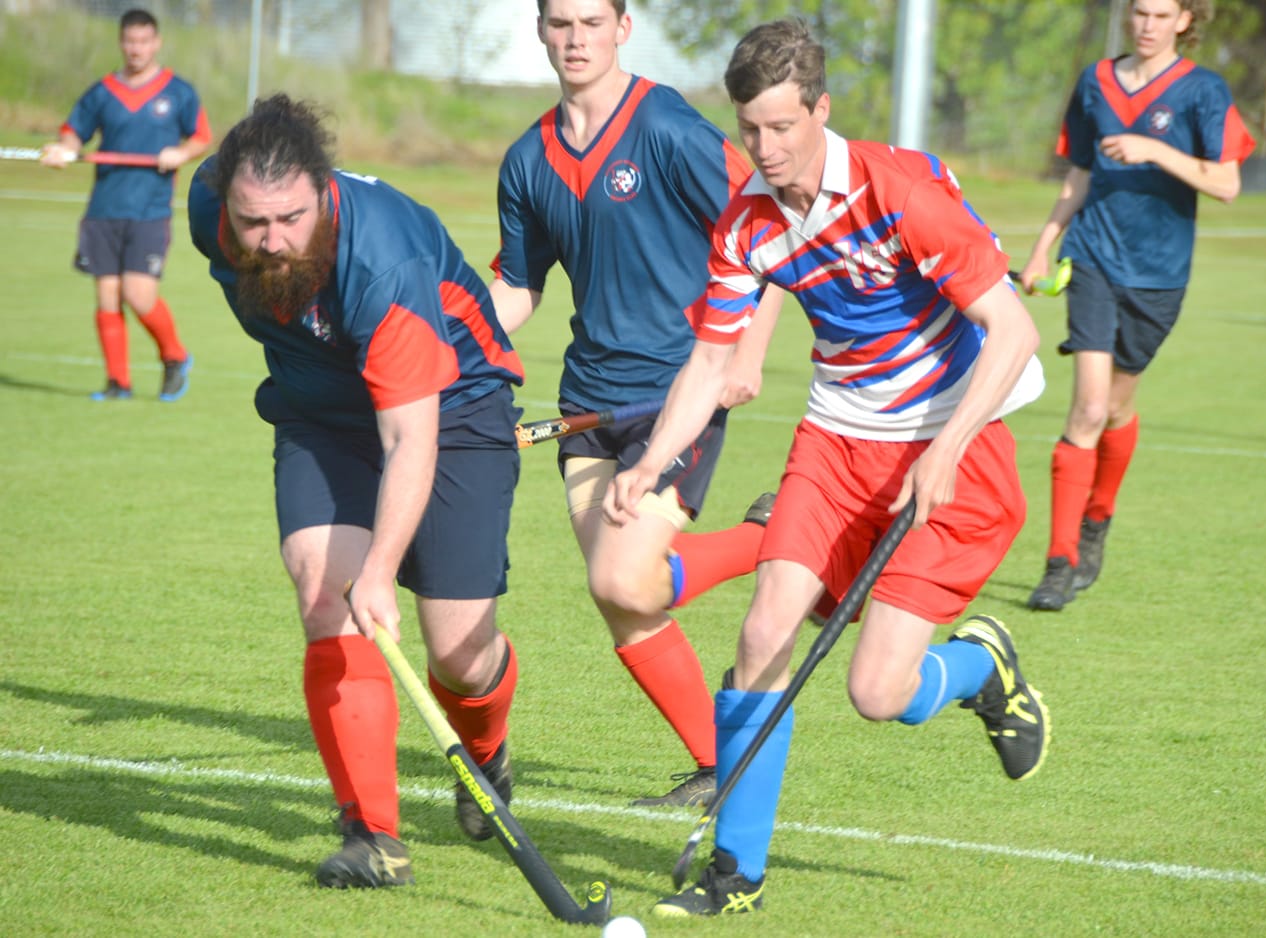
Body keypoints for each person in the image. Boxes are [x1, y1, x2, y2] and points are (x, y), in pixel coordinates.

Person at [605, 18, 1053, 916]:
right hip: (835, 438)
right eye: (749, 131)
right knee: (764, 632)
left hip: (951, 439)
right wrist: (653, 461)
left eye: (781, 127)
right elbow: (709, 357)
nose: (765, 149)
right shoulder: (748, 225)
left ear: (820, 111)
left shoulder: (897, 191)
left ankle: (981, 671)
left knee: (877, 693)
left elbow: (1014, 329)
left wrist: (947, 447)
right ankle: (736, 875)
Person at [188, 94, 526, 888]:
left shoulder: (383, 259)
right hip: (319, 412)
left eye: (291, 220)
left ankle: (486, 751)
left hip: (452, 409)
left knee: (458, 653)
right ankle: (373, 835)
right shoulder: (214, 204)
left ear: (324, 190)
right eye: (253, 223)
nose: (271, 242)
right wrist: (354, 580)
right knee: (323, 593)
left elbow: (410, 435)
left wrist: (381, 572)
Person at [489, 0, 786, 808]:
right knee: (621, 597)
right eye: (560, 23)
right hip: (587, 404)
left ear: (623, 27)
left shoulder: (664, 126)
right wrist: (456, 339)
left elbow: (760, 229)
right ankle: (719, 765)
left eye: (591, 21)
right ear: (541, 31)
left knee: (626, 573)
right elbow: (519, 286)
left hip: (677, 394)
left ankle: (771, 541)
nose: (574, 38)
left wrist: (745, 355)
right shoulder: (527, 161)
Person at [1018, 0, 1254, 611]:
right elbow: (1078, 176)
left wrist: (1156, 152)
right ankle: (1059, 560)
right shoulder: (1095, 81)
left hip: (1159, 276)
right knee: (1089, 406)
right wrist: (1044, 248)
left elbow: (1227, 183)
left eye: (1160, 14)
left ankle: (1099, 517)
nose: (1146, 24)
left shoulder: (1203, 90)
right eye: (1139, 12)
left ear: (1184, 19)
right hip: (1092, 259)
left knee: (1118, 408)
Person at [41, 8, 209, 402]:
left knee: (139, 295)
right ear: (122, 42)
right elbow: (72, 134)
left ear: (156, 43)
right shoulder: (102, 92)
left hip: (149, 210)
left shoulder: (178, 92)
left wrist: (180, 153)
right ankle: (119, 384)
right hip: (104, 208)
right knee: (107, 297)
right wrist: (63, 151)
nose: (136, 49)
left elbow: (201, 137)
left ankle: (175, 357)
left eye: (144, 41)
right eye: (130, 41)